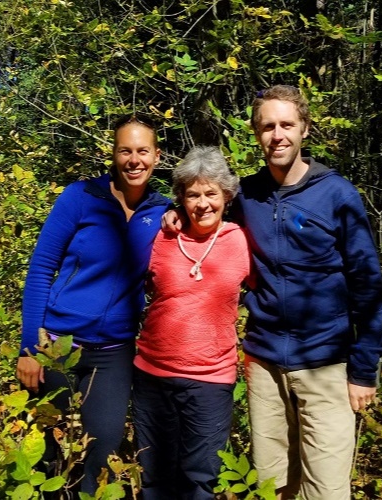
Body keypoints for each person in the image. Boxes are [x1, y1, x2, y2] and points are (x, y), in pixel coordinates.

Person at [163, 85, 382, 499]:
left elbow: (368, 284)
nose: (277, 135)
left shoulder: (337, 195)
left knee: (327, 490)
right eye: (268, 126)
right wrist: (173, 210)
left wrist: (364, 369)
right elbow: (204, 203)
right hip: (264, 363)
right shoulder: (247, 195)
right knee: (273, 485)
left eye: (287, 124)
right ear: (256, 133)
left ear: (304, 129)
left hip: (325, 364)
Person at [16, 114, 170, 496]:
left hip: (114, 352)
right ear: (114, 155)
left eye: (143, 151)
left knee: (100, 454)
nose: (134, 160)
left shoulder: (163, 212)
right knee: (55, 456)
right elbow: (40, 271)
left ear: (157, 156)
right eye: (125, 150)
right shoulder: (80, 197)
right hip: (58, 345)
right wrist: (28, 348)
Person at [132, 146, 250, 499]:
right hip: (153, 376)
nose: (202, 204)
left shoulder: (241, 241)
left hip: (211, 381)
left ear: (226, 196)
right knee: (154, 479)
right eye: (192, 194)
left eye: (211, 193)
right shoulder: (162, 236)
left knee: (201, 481)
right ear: (180, 198)